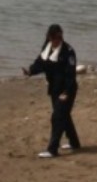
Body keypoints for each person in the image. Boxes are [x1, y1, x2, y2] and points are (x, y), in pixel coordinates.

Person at [23, 24, 79, 157]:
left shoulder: (68, 52)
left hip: (67, 90)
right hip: (54, 88)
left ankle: (52, 150)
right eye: (55, 38)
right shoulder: (47, 48)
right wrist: (30, 71)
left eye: (60, 37)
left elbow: (71, 75)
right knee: (64, 116)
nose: (57, 40)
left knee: (57, 117)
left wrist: (66, 92)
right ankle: (74, 143)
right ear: (50, 37)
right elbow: (41, 63)